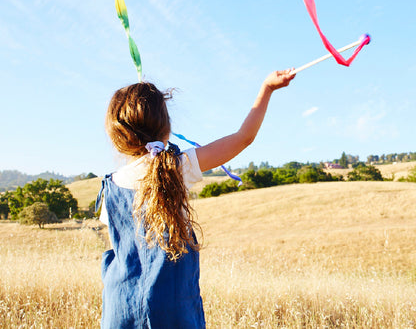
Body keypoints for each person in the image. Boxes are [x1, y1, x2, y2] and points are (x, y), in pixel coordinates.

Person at [96, 69, 296, 328]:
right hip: (173, 307)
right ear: (165, 127)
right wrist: (267, 88)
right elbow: (242, 138)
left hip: (120, 307)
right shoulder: (175, 167)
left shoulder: (110, 186)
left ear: (116, 135)